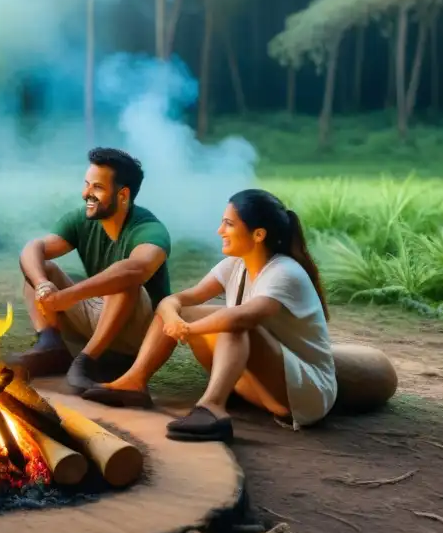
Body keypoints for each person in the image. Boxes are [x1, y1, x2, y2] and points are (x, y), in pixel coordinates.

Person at [84, 189, 337, 444]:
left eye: (228, 223)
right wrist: (174, 318)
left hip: (304, 395)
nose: (220, 231)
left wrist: (188, 330)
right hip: (261, 385)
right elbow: (177, 300)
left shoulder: (284, 272)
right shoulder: (235, 265)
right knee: (187, 311)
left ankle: (212, 407)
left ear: (258, 234)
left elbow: (242, 319)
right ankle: (134, 381)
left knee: (234, 322)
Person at [10, 148, 171, 392]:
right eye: (87, 185)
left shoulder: (149, 229)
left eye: (97, 187)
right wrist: (43, 285)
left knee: (124, 281)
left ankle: (86, 361)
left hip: (136, 335)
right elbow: (34, 248)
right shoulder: (83, 219)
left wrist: (68, 297)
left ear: (123, 194)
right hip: (98, 314)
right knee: (41, 269)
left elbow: (135, 270)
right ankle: (50, 344)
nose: (86, 194)